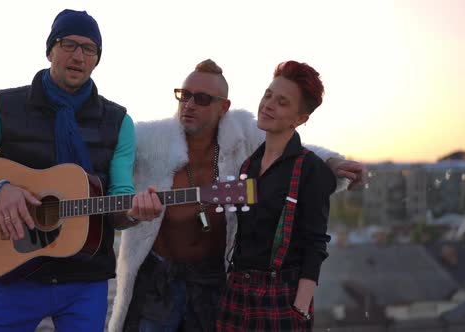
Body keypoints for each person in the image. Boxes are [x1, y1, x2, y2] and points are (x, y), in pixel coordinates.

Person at [0, 9, 161, 332]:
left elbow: (118, 198)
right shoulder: (3, 107)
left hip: (85, 281)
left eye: (89, 49)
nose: (78, 55)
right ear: (50, 49)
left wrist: (135, 213)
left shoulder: (118, 122)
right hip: (14, 278)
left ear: (97, 60)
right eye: (68, 44)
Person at [109, 59, 364, 332]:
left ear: (224, 107)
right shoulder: (148, 140)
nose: (189, 104)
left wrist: (332, 163)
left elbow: (291, 150)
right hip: (157, 282)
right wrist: (131, 212)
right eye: (184, 95)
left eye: (203, 98)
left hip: (215, 282)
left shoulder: (243, 138)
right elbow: (108, 168)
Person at [216, 61, 334, 331]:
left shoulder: (311, 169)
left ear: (300, 119)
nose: (268, 104)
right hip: (236, 294)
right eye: (268, 95)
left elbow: (316, 244)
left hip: (282, 299)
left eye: (282, 102)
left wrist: (300, 307)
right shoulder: (248, 166)